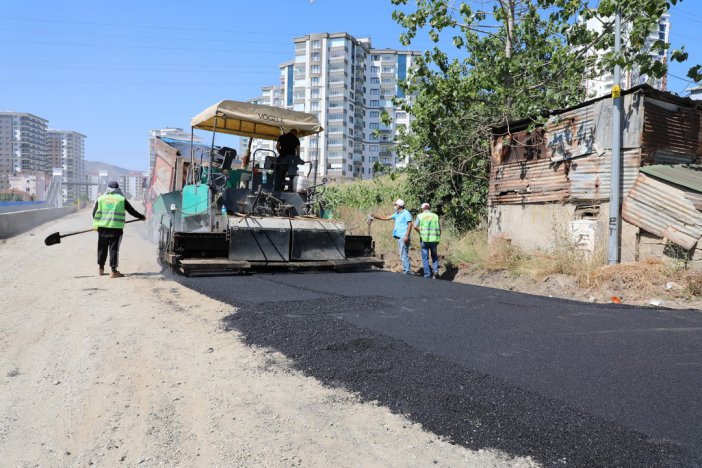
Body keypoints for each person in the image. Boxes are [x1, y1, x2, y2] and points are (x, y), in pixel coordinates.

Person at [92, 181, 146, 278]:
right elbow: (131, 211)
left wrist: (98, 224)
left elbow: (94, 213)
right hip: (116, 229)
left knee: (102, 248)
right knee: (114, 249)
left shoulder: (100, 198)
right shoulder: (121, 199)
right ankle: (113, 271)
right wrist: (141, 217)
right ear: (118, 189)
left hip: (102, 228)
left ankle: (101, 268)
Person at [370, 199, 414, 275]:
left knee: (403, 254)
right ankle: (406, 270)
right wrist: (375, 216)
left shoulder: (406, 213)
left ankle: (407, 271)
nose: (394, 206)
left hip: (403, 236)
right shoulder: (397, 214)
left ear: (400, 205)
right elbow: (386, 218)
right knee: (402, 254)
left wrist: (406, 236)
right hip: (400, 237)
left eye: (395, 204)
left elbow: (410, 224)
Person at [414, 202, 441, 279]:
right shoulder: (435, 216)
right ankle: (435, 271)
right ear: (429, 208)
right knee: (434, 256)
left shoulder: (420, 216)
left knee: (425, 258)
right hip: (434, 239)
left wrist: (421, 232)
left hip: (424, 240)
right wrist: (438, 238)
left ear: (422, 209)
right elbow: (439, 229)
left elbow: (415, 226)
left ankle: (427, 275)